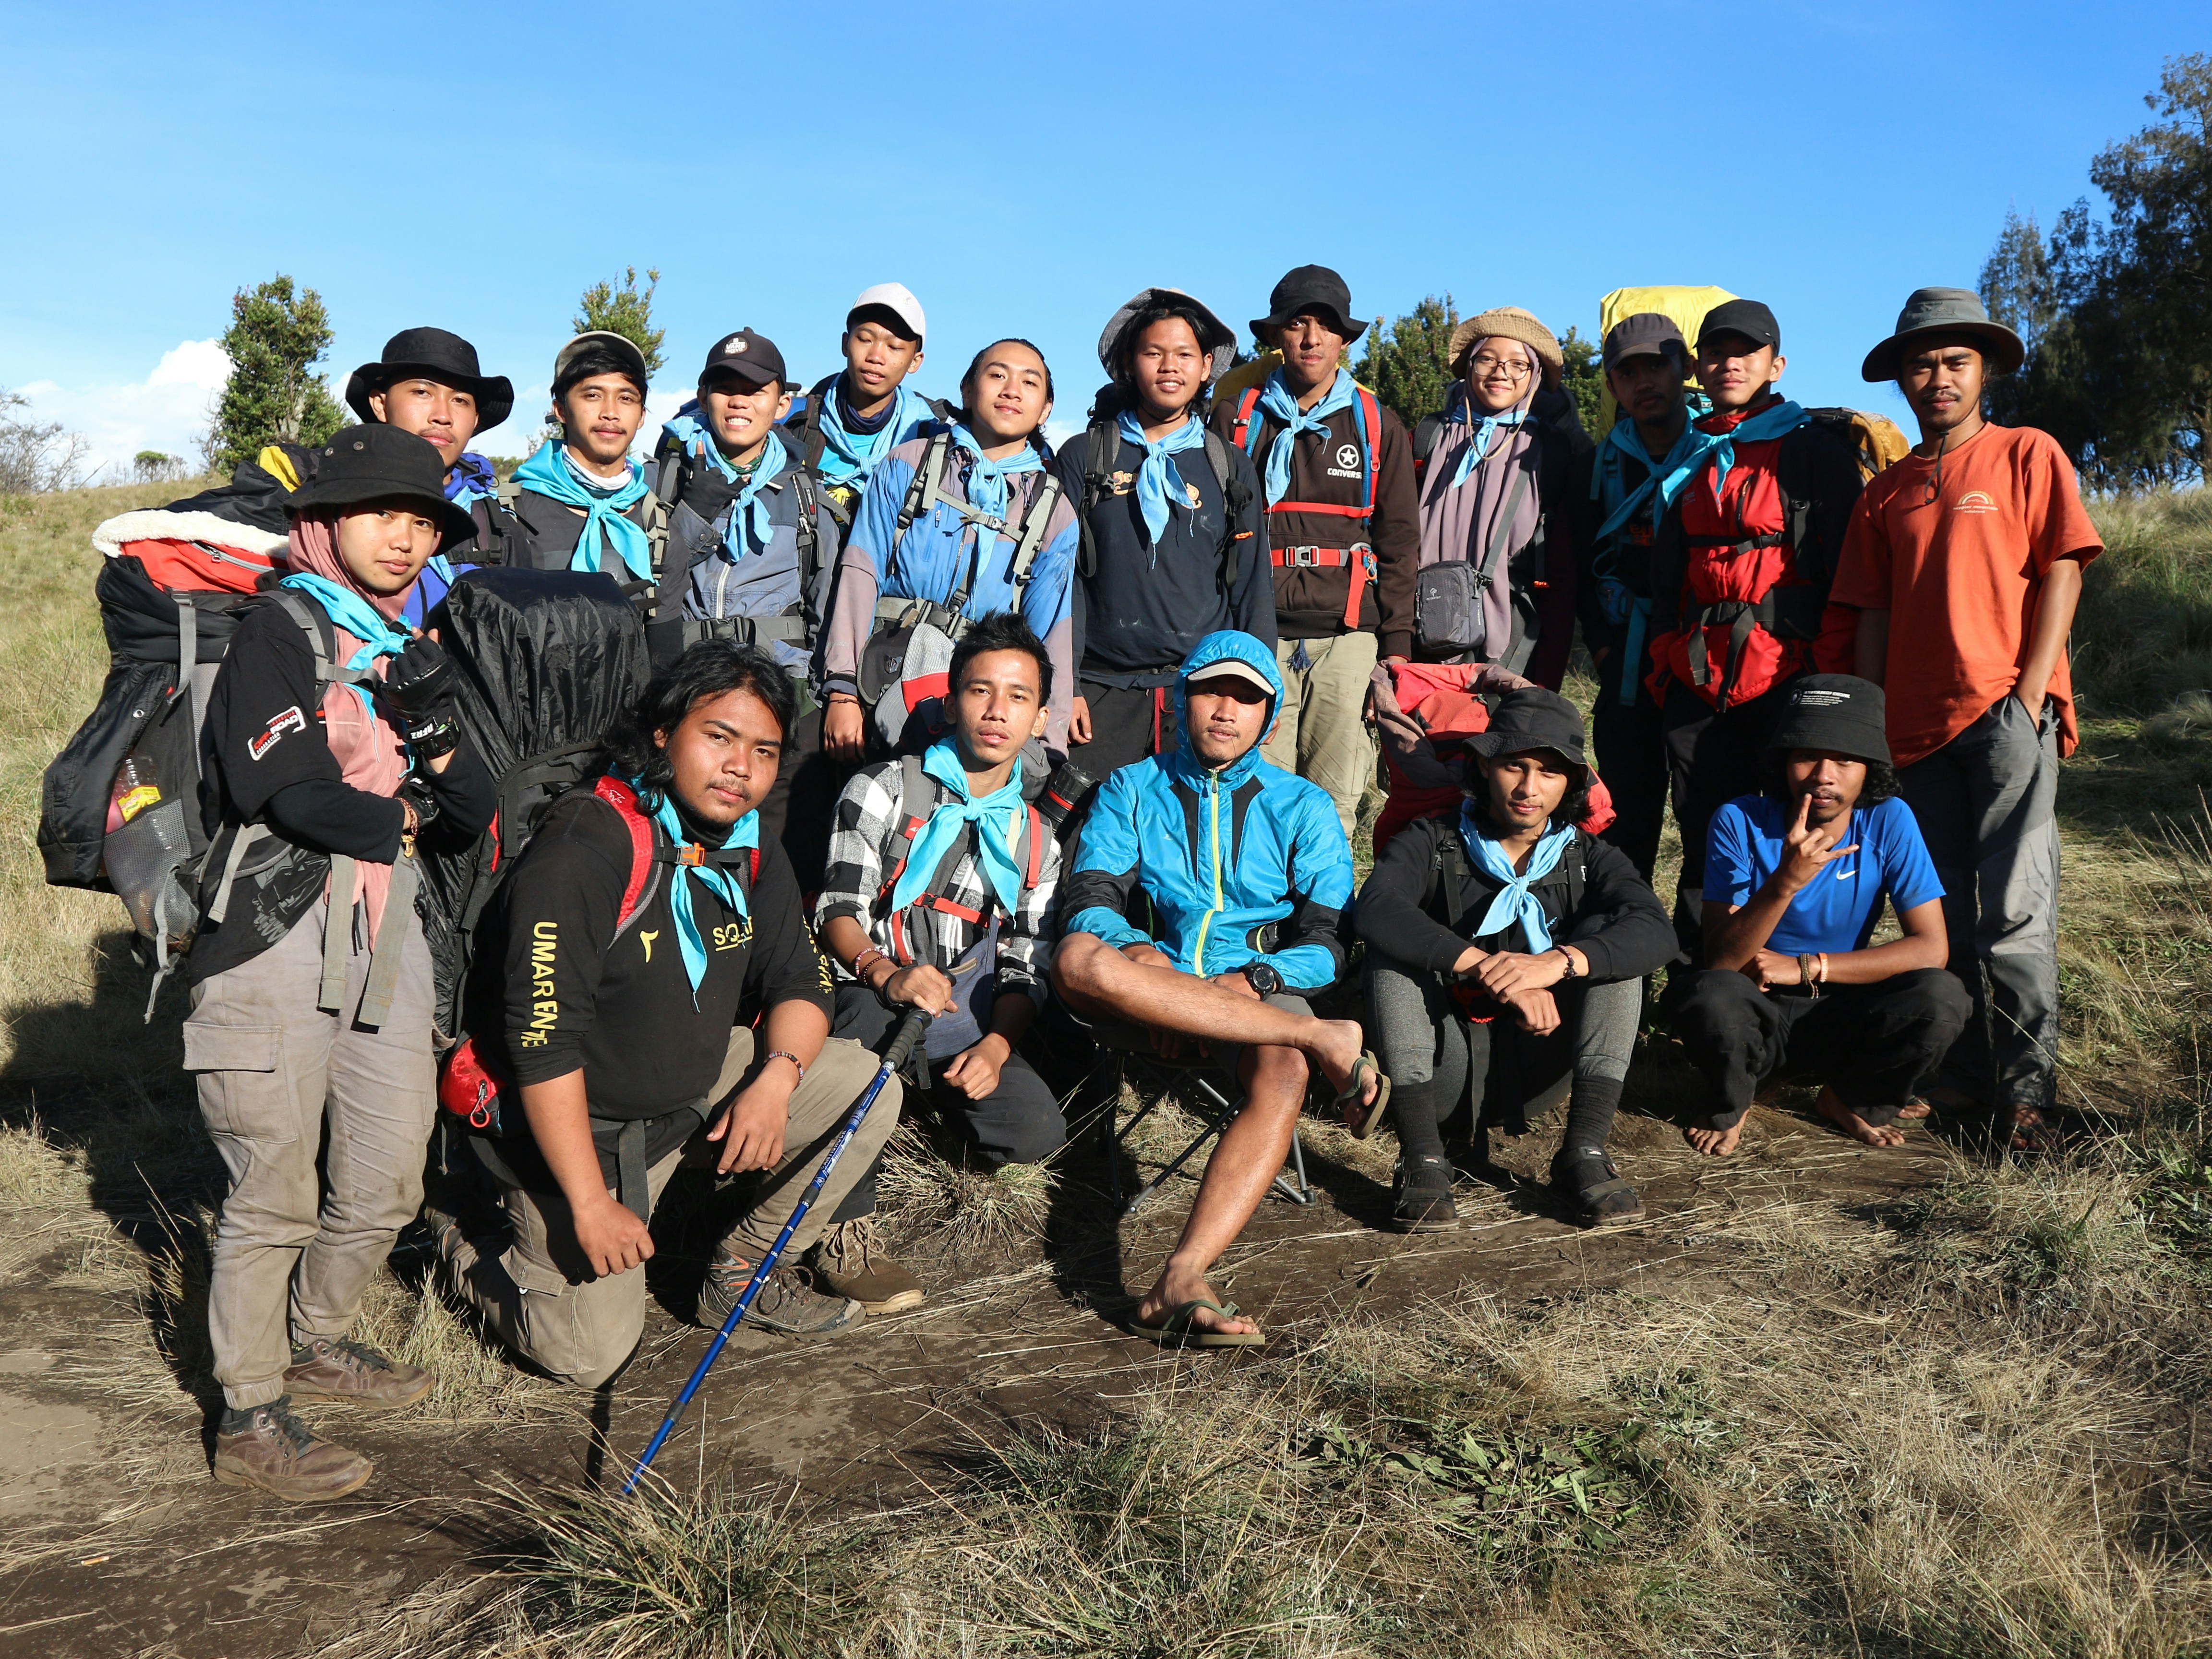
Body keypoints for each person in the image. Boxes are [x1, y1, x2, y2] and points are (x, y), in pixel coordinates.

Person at [429, 642, 902, 1389]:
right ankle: (460, 1224)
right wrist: (590, 1204)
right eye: (719, 737)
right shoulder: (586, 846)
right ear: (662, 734)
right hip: (576, 1133)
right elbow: (543, 1047)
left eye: (765, 751)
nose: (741, 767)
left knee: (867, 1085)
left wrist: (777, 1080)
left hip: (686, 1099)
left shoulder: (749, 844)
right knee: (587, 1358)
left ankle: (743, 1271)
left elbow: (802, 982)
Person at [184, 425, 496, 1499]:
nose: (405, 539)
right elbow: (286, 791)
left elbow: (471, 809)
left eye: (423, 523)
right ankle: (249, 1414)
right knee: (274, 1183)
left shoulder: (406, 649)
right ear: (325, 522)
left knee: (388, 1172)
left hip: (382, 932)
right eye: (382, 516)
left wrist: (432, 742)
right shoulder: (277, 628)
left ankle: (315, 1338)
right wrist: (406, 811)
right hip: (274, 928)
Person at [1053, 631, 1380, 1346]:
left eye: (1247, 698)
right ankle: (1321, 1037)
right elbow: (1090, 899)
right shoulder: (1131, 787)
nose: (1227, 710)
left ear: (1271, 717)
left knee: (1284, 1070)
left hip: (1257, 992)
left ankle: (1181, 1277)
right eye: (1211, 691)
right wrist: (1144, 957)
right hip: (1150, 982)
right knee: (1077, 957)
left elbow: (1328, 943)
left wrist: (1261, 978)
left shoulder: (1305, 806)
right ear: (1181, 700)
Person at [1832, 288, 2101, 1151]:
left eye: (1956, 362)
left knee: (2015, 910)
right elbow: (1871, 612)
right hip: (1911, 734)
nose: (1938, 378)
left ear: (1983, 372)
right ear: (1902, 380)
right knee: (1939, 913)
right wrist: (1869, 725)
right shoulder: (1885, 493)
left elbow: (2063, 568)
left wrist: (2030, 692)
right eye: (1922, 364)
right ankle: (1957, 1074)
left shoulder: (2026, 453)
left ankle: (2025, 1096)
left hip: (2003, 715)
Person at [809, 613, 1068, 1313]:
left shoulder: (1036, 838)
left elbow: (1024, 962)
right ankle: (842, 1232)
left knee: (1036, 1131)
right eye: (980, 691)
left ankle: (909, 1106)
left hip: (961, 1014)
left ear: (1041, 718)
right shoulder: (883, 789)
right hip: (870, 994)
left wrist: (998, 1044)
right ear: (951, 704)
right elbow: (837, 909)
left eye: (1018, 696)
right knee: (861, 1047)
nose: (997, 711)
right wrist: (885, 972)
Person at [1355, 690, 1674, 1229]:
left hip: (1542, 1062)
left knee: (1610, 948)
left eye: (1550, 772)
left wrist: (1559, 963)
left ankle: (1584, 1150)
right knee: (1393, 952)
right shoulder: (1432, 840)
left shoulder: (1588, 856)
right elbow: (1377, 908)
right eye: (1514, 767)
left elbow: (1656, 931)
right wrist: (1486, 968)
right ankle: (1421, 1155)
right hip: (1438, 1068)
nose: (1529, 788)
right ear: (1483, 766)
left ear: (1572, 783)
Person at [1642, 300, 1866, 966]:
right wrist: (1664, 658)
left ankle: (1795, 976)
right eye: (1716, 352)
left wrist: (1825, 675)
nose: (1729, 364)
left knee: (1793, 829)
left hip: (1789, 677)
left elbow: (1848, 573)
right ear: (1698, 367)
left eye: (1746, 352)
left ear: (1777, 365)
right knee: (1704, 830)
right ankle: (1703, 981)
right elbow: (1668, 576)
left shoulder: (1815, 450)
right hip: (1697, 679)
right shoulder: (1692, 454)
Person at [1673, 676, 1969, 1156]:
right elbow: (1723, 961)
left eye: (1845, 759)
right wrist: (1785, 882)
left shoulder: (1888, 819)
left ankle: (1850, 1098)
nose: (1823, 775)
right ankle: (1734, 1098)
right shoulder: (1740, 819)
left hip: (1841, 1011)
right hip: (1756, 1007)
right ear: (1783, 762)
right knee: (1711, 994)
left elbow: (1932, 949)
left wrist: (1807, 966)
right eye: (1806, 756)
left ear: (1870, 769)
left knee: (1942, 996)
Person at [1210, 265, 1419, 839]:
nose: (1311, 339)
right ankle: (1259, 900)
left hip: (1349, 638)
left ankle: (1325, 899)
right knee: (1253, 795)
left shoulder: (1377, 425)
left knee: (1334, 800)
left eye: (1326, 326)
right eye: (1297, 324)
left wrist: (1397, 647)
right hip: (1257, 634)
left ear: (1344, 340)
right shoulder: (1236, 419)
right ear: (1277, 335)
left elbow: (1399, 541)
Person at [649, 327, 849, 884]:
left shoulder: (808, 498)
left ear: (782, 404)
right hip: (690, 696)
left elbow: (828, 607)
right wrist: (694, 510)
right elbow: (651, 583)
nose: (739, 401)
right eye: (725, 387)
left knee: (776, 859)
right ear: (703, 395)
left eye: (756, 390)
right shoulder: (662, 482)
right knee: (683, 848)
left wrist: (821, 697)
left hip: (783, 700)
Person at [821, 338, 1080, 763]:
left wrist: (1047, 746)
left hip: (981, 706)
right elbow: (860, 574)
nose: (1012, 390)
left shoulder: (1054, 512)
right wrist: (842, 690)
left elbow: (1050, 633)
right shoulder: (908, 464)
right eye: (997, 375)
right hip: (880, 679)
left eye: (1029, 383)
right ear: (967, 390)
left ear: (1046, 409)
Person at [1057, 288, 1273, 785]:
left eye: (1184, 355)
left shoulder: (1229, 465)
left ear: (1206, 366)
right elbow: (1061, 582)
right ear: (1130, 363)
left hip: (1200, 691)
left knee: (1190, 826)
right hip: (1099, 690)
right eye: (1153, 352)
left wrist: (1259, 689)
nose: (1169, 366)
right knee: (1087, 825)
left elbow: (1251, 587)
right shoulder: (1084, 456)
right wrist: (1065, 686)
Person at [1570, 313, 1707, 881]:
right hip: (1627, 664)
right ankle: (1624, 935)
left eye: (1657, 365)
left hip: (1703, 661)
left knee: (1706, 814)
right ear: (1612, 385)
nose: (1644, 382)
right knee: (1624, 820)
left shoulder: (1719, 452)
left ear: (1686, 368)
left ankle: (1702, 939)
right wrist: (1603, 648)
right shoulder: (1597, 465)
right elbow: (1579, 565)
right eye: (1628, 373)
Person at [1411, 307, 1583, 689]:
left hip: (1514, 637)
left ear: (1535, 374)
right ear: (1470, 367)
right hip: (1424, 623)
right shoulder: (1429, 437)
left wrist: (1549, 676)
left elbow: (1563, 570)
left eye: (1518, 364)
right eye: (1487, 359)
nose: (1501, 372)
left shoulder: (1552, 451)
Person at [343, 327, 518, 625]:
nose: (443, 415)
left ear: (475, 419)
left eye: (460, 400)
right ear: (380, 405)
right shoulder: (334, 508)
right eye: (422, 392)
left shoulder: (499, 524)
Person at [499, 331, 659, 585]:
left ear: (641, 417)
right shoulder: (508, 514)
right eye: (593, 395)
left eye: (626, 398)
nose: (610, 412)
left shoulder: (657, 523)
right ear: (560, 410)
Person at [781, 284, 938, 515]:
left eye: (894, 347)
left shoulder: (930, 439)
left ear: (915, 361)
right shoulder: (794, 421)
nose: (876, 357)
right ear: (845, 343)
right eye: (865, 339)